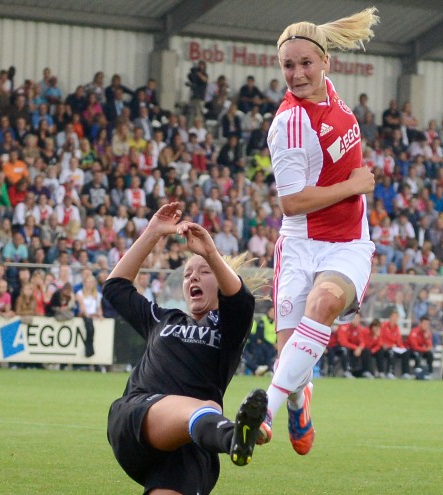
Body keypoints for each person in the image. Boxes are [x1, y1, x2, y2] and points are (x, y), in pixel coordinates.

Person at [260, 8, 379, 455]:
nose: (296, 73)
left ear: (326, 63)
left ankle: (264, 410)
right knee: (290, 365)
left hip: (347, 244)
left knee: (324, 302)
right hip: (299, 245)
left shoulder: (330, 93)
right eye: (288, 66)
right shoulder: (288, 125)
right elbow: (291, 202)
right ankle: (296, 400)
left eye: (305, 63)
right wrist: (353, 185)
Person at [103, 202, 267, 494]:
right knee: (208, 408)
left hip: (194, 442)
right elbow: (115, 287)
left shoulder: (230, 327)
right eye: (188, 273)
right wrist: (153, 232)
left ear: (220, 281)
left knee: (203, 417)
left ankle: (232, 435)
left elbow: (241, 300)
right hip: (137, 417)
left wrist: (210, 254)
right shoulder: (164, 319)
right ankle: (235, 436)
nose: (192, 276)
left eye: (203, 271)